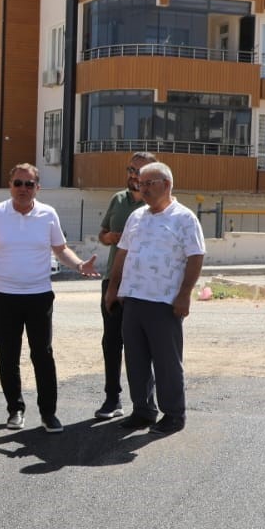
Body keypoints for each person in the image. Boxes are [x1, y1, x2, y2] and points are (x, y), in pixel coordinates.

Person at [0, 163, 98, 432]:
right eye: (18, 183)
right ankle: (15, 410)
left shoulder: (48, 214)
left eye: (29, 184)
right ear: (10, 185)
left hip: (39, 296)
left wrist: (79, 265)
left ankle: (48, 414)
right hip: (3, 296)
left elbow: (60, 249)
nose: (23, 189)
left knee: (43, 355)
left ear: (37, 187)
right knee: (8, 356)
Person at [103, 161, 205, 436]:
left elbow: (196, 257)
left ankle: (174, 414)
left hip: (164, 301)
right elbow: (122, 253)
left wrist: (184, 295)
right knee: (135, 359)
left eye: (149, 183)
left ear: (167, 185)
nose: (143, 188)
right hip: (133, 298)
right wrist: (113, 289)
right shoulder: (137, 217)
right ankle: (143, 410)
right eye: (140, 183)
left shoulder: (184, 218)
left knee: (166, 362)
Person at [94, 152, 155, 420]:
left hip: (144, 284)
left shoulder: (157, 204)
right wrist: (110, 237)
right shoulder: (118, 200)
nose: (133, 174)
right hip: (113, 280)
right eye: (130, 169)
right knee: (112, 342)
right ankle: (112, 399)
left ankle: (144, 404)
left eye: (139, 171)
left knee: (143, 344)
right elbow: (102, 233)